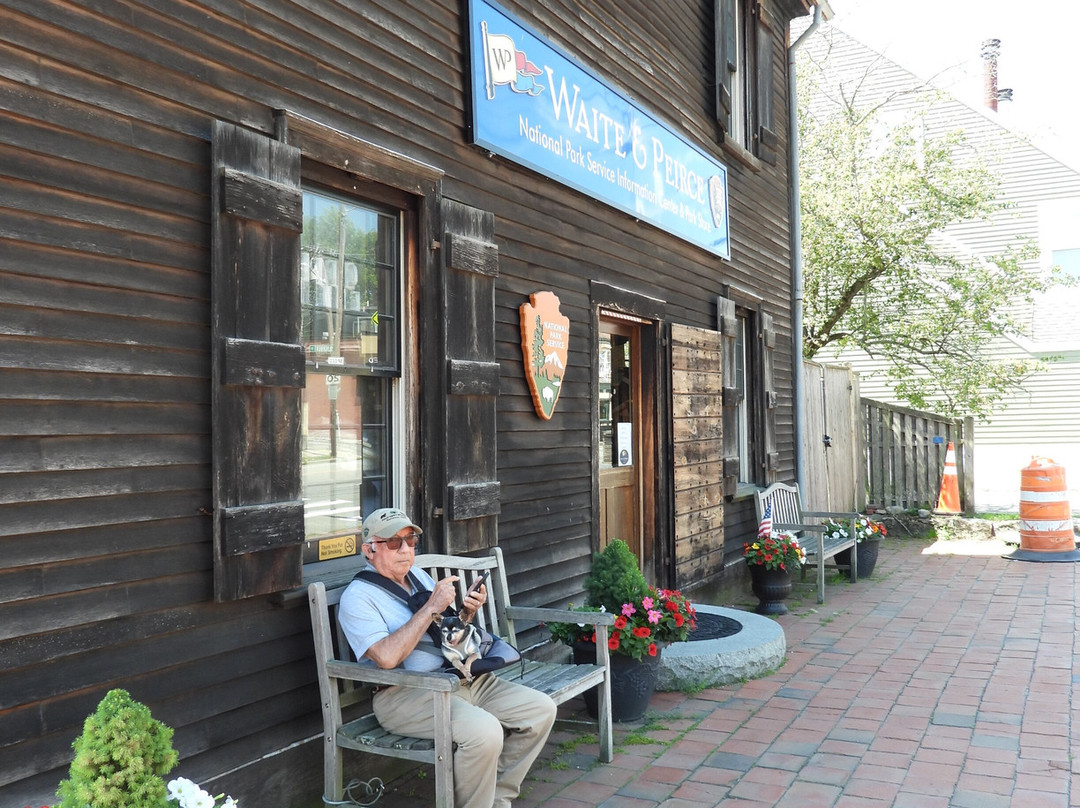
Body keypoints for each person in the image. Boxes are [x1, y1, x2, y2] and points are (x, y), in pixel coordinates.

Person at [338, 508, 556, 808]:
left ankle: (497, 800)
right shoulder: (358, 597)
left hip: (457, 678)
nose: (405, 550)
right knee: (485, 733)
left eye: (411, 540)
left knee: (541, 710)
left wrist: (467, 611)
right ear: (369, 549)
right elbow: (386, 658)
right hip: (406, 695)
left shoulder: (418, 577)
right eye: (393, 542)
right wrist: (429, 607)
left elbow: (447, 634)